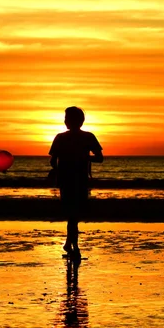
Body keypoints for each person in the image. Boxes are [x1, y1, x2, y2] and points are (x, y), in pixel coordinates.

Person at [49, 107, 103, 259]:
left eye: (67, 118)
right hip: (79, 180)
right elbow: (99, 158)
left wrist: (60, 167)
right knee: (74, 215)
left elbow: (53, 161)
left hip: (68, 180)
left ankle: (71, 245)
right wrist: (85, 158)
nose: (65, 121)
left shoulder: (60, 137)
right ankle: (74, 247)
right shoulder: (88, 137)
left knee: (72, 214)